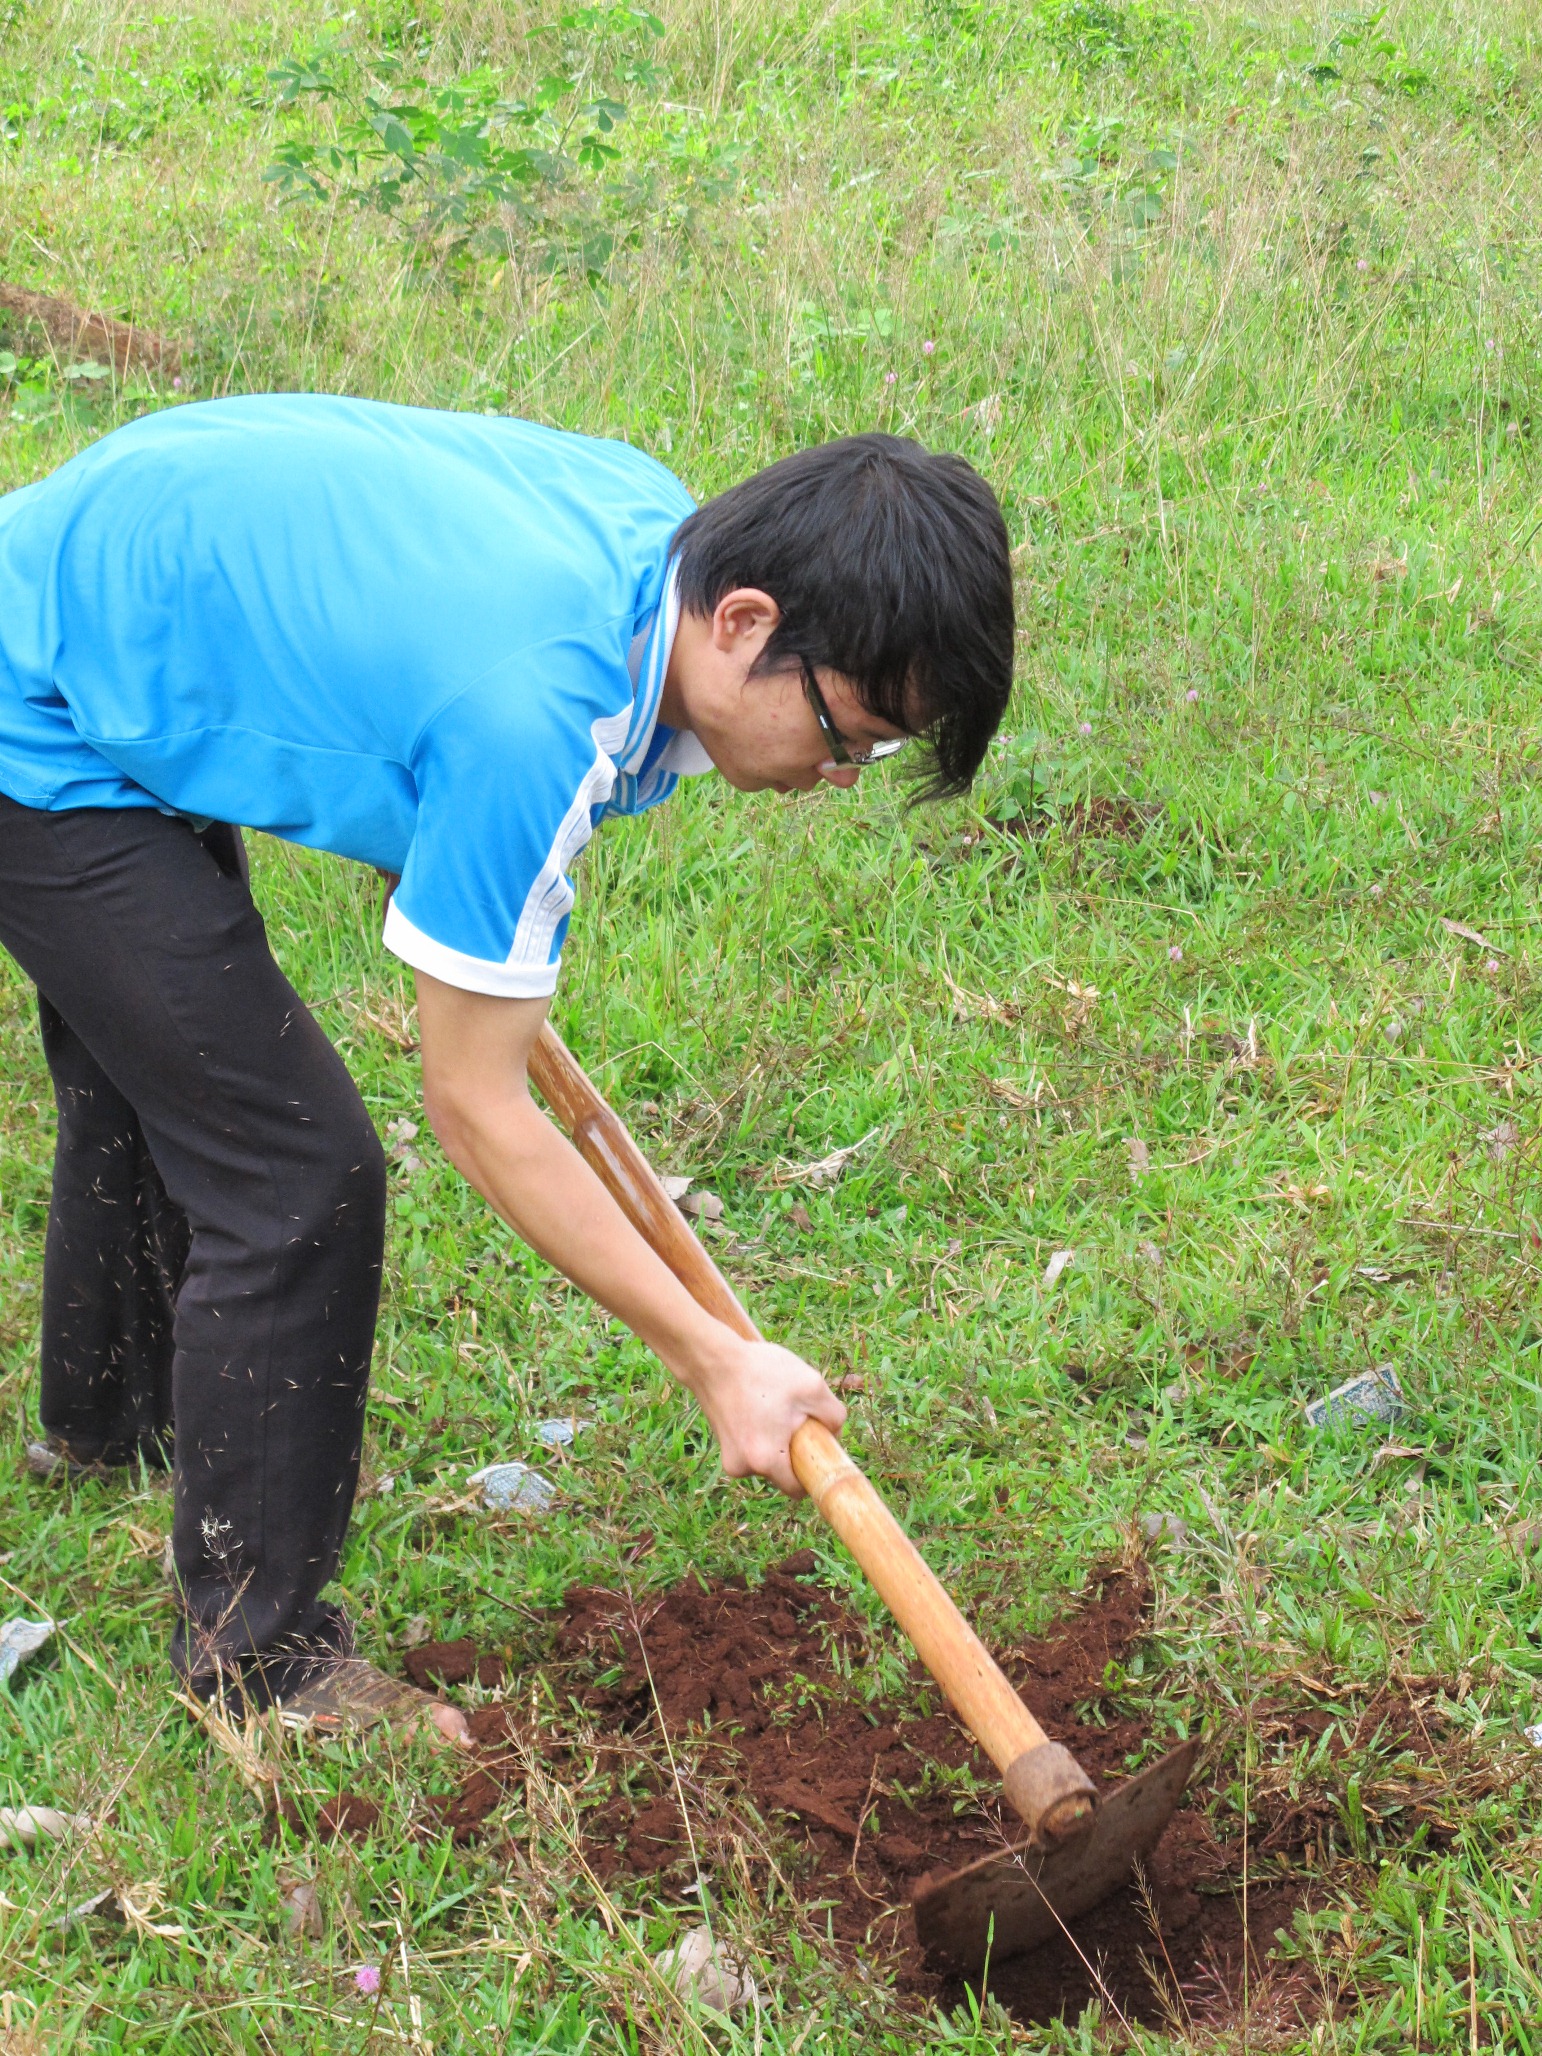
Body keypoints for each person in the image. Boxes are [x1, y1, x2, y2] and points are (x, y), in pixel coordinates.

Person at [0, 394, 1014, 1735]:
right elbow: (478, 1111)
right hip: (47, 702)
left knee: (168, 1060)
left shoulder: (658, 538)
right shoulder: (535, 713)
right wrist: (714, 1360)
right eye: (849, 735)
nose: (843, 775)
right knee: (295, 1175)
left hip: (118, 600)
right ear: (746, 621)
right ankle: (265, 1668)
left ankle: (104, 1422)